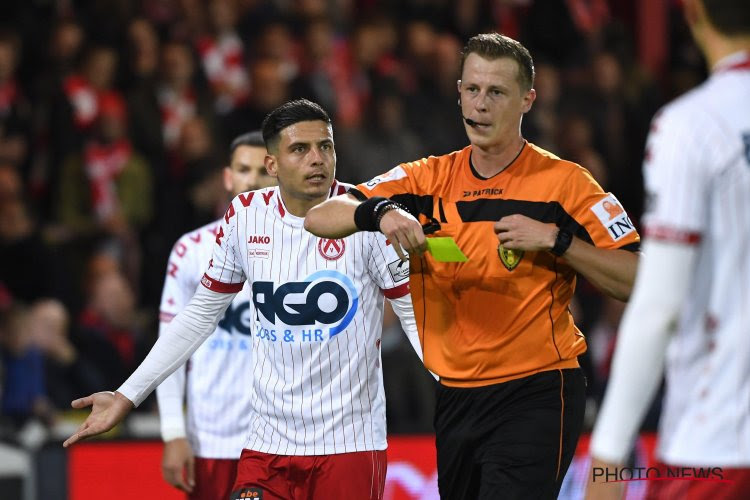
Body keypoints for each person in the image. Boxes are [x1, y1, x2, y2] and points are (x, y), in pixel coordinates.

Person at [304, 32, 641, 498]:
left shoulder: (565, 183)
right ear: (459, 91)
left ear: (527, 100)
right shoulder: (427, 179)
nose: (480, 104)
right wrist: (380, 212)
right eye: (471, 89)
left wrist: (558, 241)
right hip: (456, 394)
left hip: (538, 388)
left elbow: (637, 278)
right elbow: (320, 216)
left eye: (496, 92)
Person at [63, 99, 422, 500]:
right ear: (273, 166)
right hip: (267, 448)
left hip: (349, 446)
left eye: (326, 146)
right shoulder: (245, 215)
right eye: (300, 149)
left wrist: (462, 385)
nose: (317, 159)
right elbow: (199, 315)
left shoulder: (367, 216)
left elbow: (412, 314)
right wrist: (127, 394)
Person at [587, 1, 750, 498]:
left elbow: (658, 305)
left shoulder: (690, 126)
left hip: (716, 443)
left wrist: (608, 455)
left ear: (693, 12)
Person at [155, 131, 274, 498]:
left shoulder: (309, 248)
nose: (252, 180)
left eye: (263, 170)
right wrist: (174, 432)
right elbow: (169, 350)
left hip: (282, 441)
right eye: (243, 169)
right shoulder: (191, 251)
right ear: (227, 177)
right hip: (213, 440)